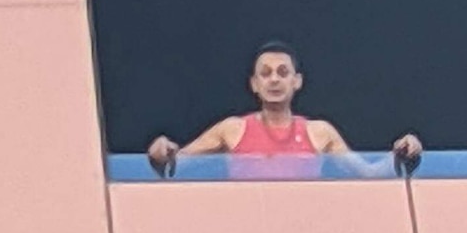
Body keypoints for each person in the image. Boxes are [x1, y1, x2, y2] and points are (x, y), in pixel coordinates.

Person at [147, 40, 423, 178]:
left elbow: (368, 174)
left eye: (282, 72)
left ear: (297, 81)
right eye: (265, 74)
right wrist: (159, 150)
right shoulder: (232, 129)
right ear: (254, 84)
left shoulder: (319, 132)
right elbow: (176, 163)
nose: (274, 79)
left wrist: (404, 152)